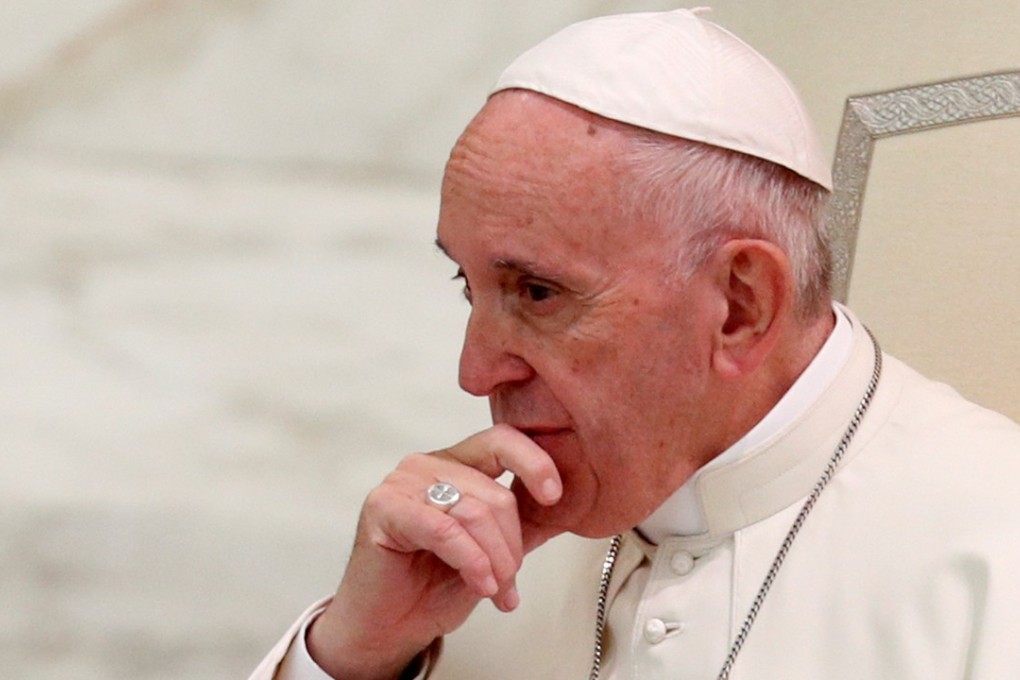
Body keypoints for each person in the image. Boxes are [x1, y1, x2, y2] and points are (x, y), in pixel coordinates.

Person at [250, 9, 1020, 680]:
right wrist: (354, 657)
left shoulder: (994, 554)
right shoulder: (464, 561)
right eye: (469, 286)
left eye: (539, 293)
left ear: (740, 306)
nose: (473, 370)